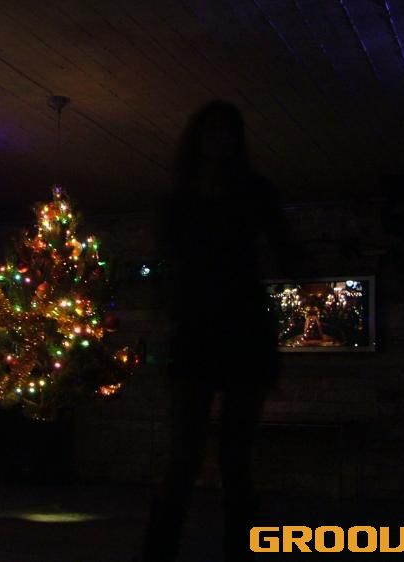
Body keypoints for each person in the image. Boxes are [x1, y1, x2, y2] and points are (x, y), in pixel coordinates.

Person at [142, 101, 287, 562]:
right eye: (213, 132)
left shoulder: (231, 194)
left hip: (234, 328)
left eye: (226, 133)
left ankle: (182, 550)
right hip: (210, 328)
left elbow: (283, 247)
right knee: (193, 455)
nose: (219, 142)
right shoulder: (186, 199)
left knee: (224, 456)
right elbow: (167, 266)